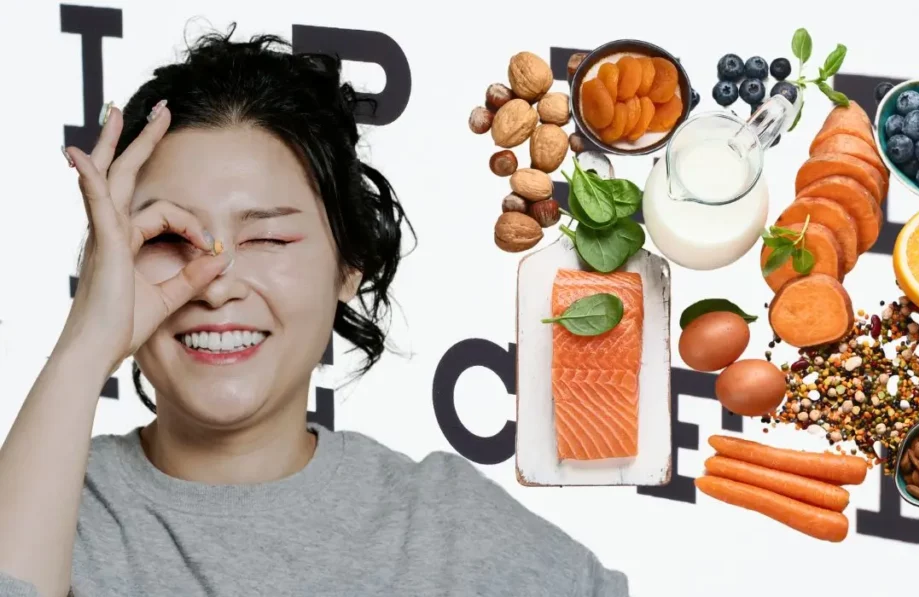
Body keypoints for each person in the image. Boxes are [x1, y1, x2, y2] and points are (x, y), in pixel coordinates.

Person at [0, 28, 628, 597]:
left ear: (348, 263)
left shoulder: (448, 535)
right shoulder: (42, 505)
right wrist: (84, 347)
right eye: (167, 237)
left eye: (268, 239)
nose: (215, 284)